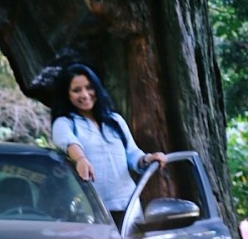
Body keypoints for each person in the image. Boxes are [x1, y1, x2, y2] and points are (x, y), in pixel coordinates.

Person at [50, 63, 167, 226]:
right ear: (67, 95)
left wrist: (149, 159)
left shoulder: (115, 120)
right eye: (76, 90)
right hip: (91, 211)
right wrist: (81, 159)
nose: (84, 95)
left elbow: (133, 154)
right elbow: (70, 143)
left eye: (89, 88)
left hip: (129, 206)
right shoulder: (64, 123)